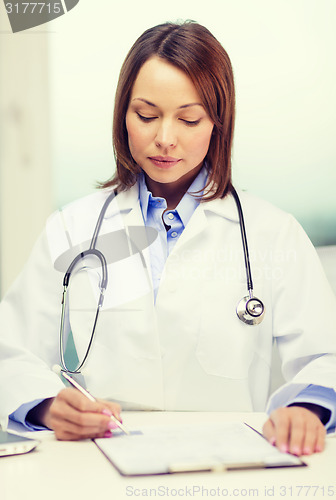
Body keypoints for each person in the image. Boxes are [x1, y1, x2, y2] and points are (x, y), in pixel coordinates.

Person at [0, 21, 336, 454]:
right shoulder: (71, 229)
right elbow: (10, 350)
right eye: (146, 115)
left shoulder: (274, 234)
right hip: (95, 464)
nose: (164, 139)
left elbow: (324, 357)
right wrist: (46, 406)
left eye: (189, 118)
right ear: (123, 115)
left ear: (218, 121)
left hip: (230, 467)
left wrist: (307, 409)